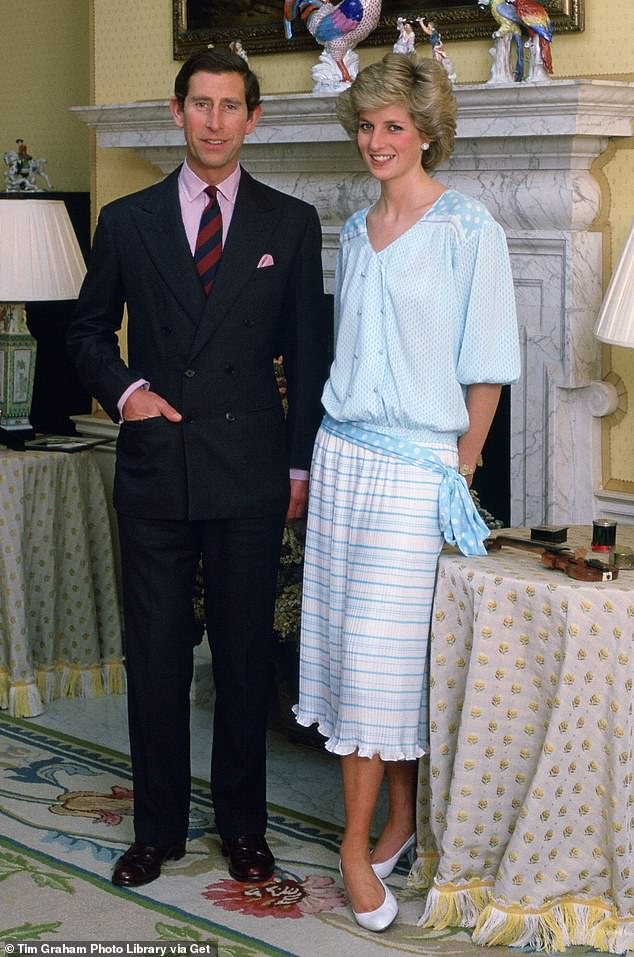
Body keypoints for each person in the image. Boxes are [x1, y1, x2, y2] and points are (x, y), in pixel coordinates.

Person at [67, 47, 328, 888]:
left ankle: (244, 829)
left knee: (248, 657)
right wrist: (128, 390)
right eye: (200, 104)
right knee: (157, 657)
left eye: (230, 106)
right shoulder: (128, 219)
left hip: (251, 474)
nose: (214, 120)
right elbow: (82, 332)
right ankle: (158, 829)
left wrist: (299, 470)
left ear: (253, 119)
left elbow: (309, 359)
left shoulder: (290, 224)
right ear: (176, 112)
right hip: (157, 467)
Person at [294, 52, 520, 932]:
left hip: (415, 470)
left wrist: (458, 471)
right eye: (367, 125)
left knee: (379, 667)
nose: (378, 140)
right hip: (342, 455)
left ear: (427, 131)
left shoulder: (472, 230)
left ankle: (353, 849)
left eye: (394, 125)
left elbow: (490, 370)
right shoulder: (352, 230)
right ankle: (396, 824)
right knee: (361, 656)